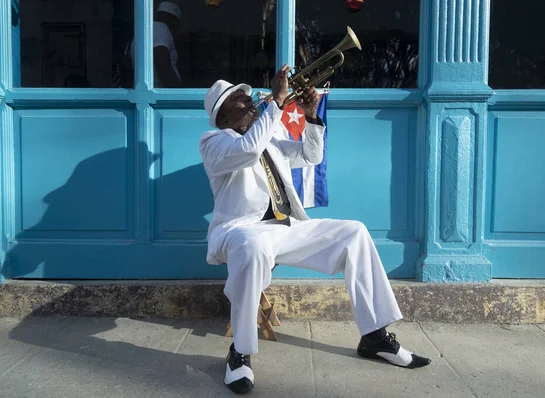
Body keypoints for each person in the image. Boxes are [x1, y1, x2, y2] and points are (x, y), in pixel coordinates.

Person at [200, 65, 431, 394]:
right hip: (241, 231)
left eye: (249, 97)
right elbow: (247, 149)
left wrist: (310, 118)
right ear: (222, 115)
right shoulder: (213, 142)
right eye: (240, 100)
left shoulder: (270, 136)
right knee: (251, 246)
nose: (250, 102)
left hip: (285, 226)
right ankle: (240, 352)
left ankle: (375, 336)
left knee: (355, 232)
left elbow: (311, 156)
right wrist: (277, 103)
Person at [129, 1, 182, 88]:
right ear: (174, 20)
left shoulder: (144, 31)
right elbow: (162, 64)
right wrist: (180, 95)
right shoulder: (160, 28)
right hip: (161, 96)